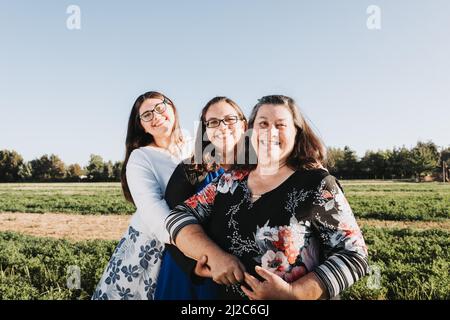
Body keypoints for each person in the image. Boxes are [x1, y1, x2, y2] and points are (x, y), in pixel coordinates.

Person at [165, 95, 368, 299]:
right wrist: (215, 256)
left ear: (297, 132)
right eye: (263, 123)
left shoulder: (317, 184)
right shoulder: (230, 181)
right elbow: (178, 216)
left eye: (281, 125)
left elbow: (354, 255)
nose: (270, 132)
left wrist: (293, 293)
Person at [92, 91, 192, 300]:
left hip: (193, 236)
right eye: (146, 115)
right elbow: (153, 211)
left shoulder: (192, 143)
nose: (155, 116)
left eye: (159, 108)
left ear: (171, 107)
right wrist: (194, 244)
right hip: (153, 244)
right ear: (142, 125)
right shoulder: (141, 157)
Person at [155, 96, 247, 299]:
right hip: (194, 271)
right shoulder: (190, 169)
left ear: (243, 124)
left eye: (230, 119)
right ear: (205, 131)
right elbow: (170, 225)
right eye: (213, 122)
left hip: (242, 270)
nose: (222, 127)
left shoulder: (261, 169)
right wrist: (192, 267)